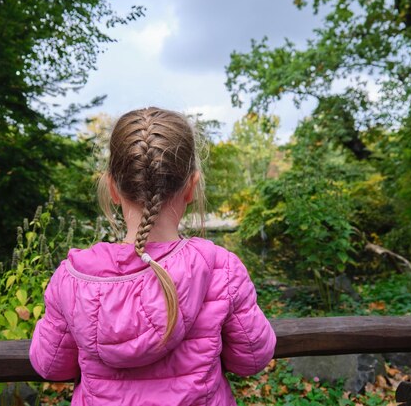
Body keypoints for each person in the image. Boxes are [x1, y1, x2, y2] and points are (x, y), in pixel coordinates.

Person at [29, 107, 276, 405]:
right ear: (191, 187)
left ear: (112, 188)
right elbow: (252, 358)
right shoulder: (220, 269)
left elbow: (51, 365)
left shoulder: (73, 279)